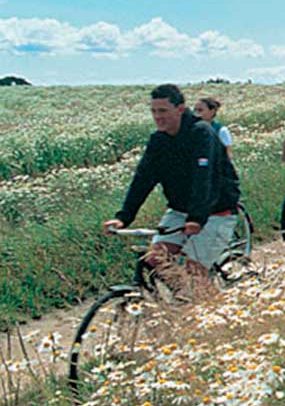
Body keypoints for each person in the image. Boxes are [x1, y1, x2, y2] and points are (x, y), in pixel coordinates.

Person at [103, 84, 241, 284]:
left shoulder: (201, 133)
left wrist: (197, 217)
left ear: (180, 110)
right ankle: (184, 305)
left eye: (163, 111)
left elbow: (205, 178)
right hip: (179, 210)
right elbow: (142, 180)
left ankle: (212, 307)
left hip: (216, 211)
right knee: (154, 259)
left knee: (195, 273)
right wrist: (123, 217)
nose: (158, 117)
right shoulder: (158, 140)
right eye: (154, 111)